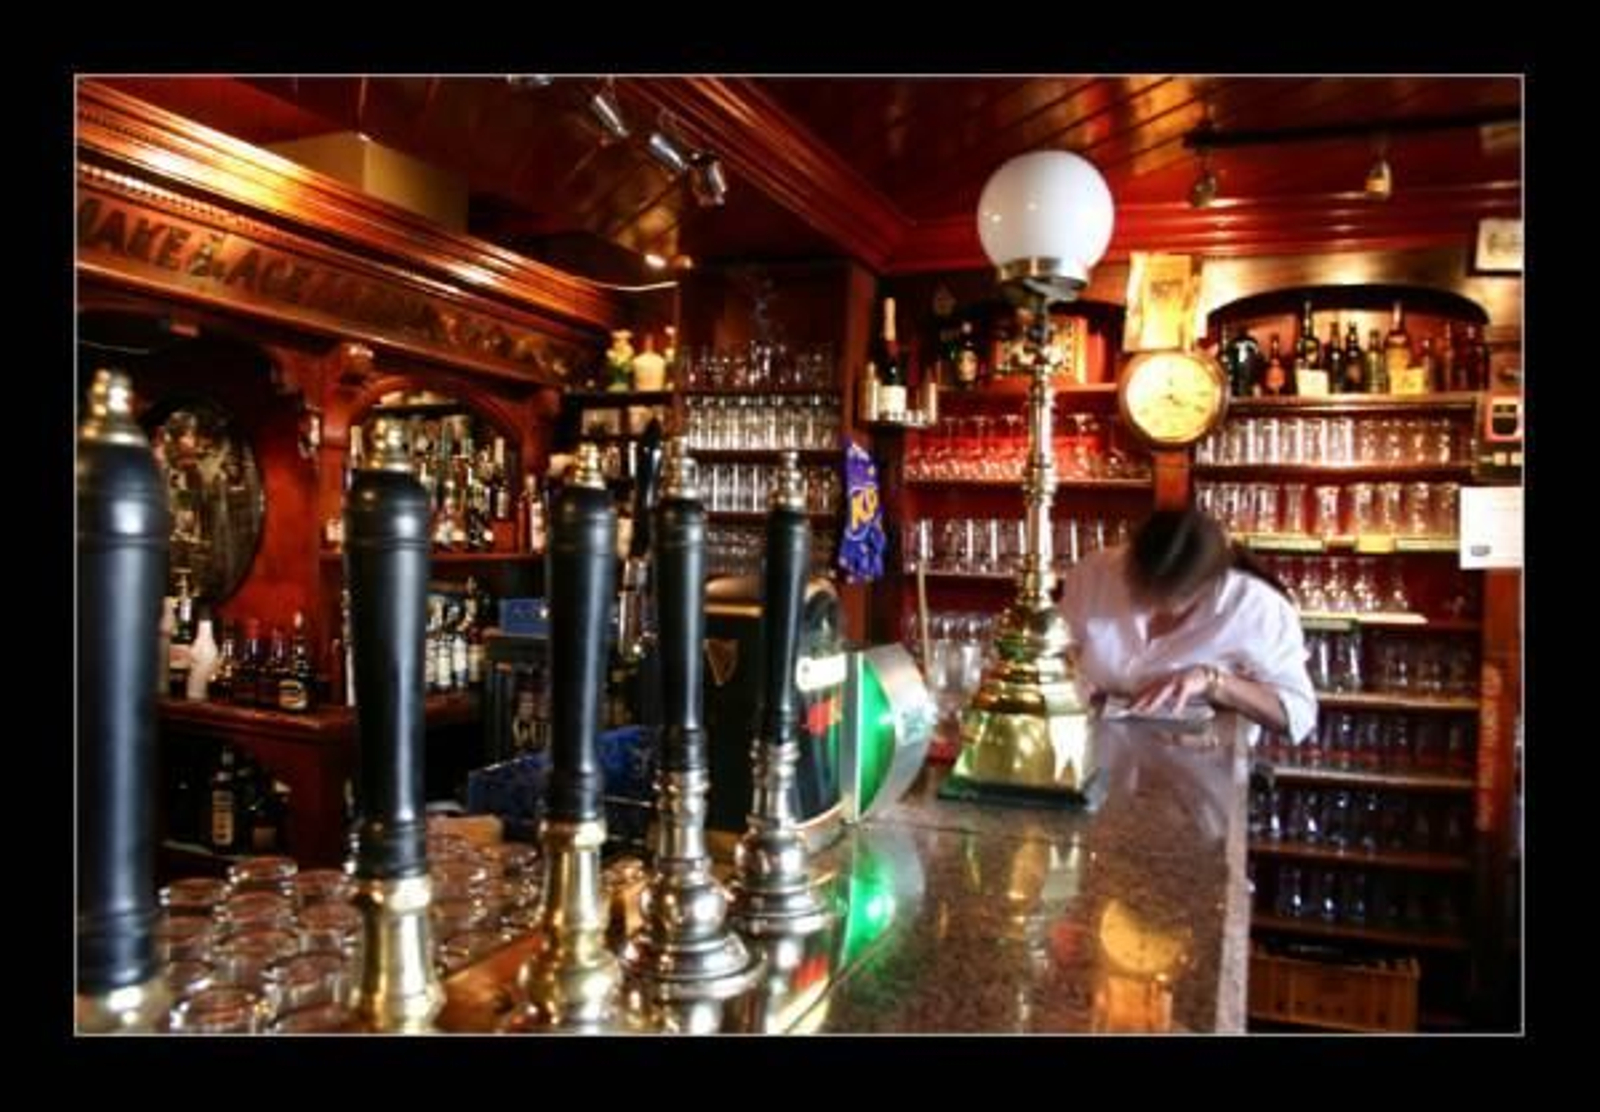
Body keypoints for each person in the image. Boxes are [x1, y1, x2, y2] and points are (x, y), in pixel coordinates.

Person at [1057, 508, 1316, 742]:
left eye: (1166, 600)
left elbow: (1296, 717)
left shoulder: (1256, 608)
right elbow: (1061, 651)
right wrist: (1069, 678)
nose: (1148, 606)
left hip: (1202, 770)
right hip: (1098, 752)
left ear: (1208, 586)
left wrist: (1214, 682)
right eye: (1138, 590)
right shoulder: (1097, 573)